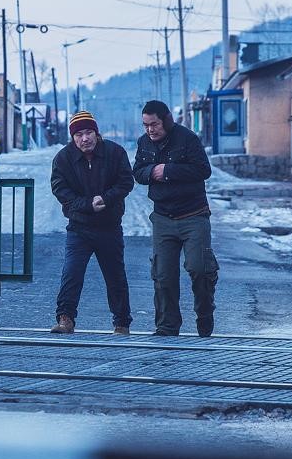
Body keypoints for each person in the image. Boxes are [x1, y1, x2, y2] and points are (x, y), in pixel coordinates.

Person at [133, 100, 217, 337]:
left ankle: (204, 314)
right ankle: (167, 326)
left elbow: (203, 170)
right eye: (146, 125)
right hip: (162, 218)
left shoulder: (187, 139)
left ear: (167, 120)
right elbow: (137, 172)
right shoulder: (143, 143)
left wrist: (167, 171)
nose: (150, 130)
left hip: (194, 215)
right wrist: (151, 172)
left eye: (155, 124)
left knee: (199, 268)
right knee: (163, 275)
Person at [48, 110, 134, 335]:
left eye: (88, 133)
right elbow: (59, 188)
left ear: (97, 133)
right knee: (71, 273)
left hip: (109, 226)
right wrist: (86, 204)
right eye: (78, 135)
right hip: (79, 227)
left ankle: (122, 323)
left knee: (115, 276)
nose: (84, 139)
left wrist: (106, 199)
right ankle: (65, 319)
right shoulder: (63, 158)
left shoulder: (115, 153)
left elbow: (126, 181)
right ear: (73, 138)